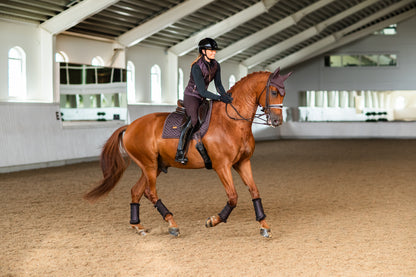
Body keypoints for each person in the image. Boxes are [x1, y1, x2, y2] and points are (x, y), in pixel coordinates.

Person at [175, 37, 233, 164]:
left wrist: (224, 95)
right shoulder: (196, 67)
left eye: (214, 50)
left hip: (203, 97)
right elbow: (202, 91)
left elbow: (218, 85)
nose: (213, 52)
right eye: (210, 50)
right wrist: (219, 98)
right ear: (203, 51)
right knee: (194, 120)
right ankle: (180, 151)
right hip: (192, 96)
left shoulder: (216, 65)